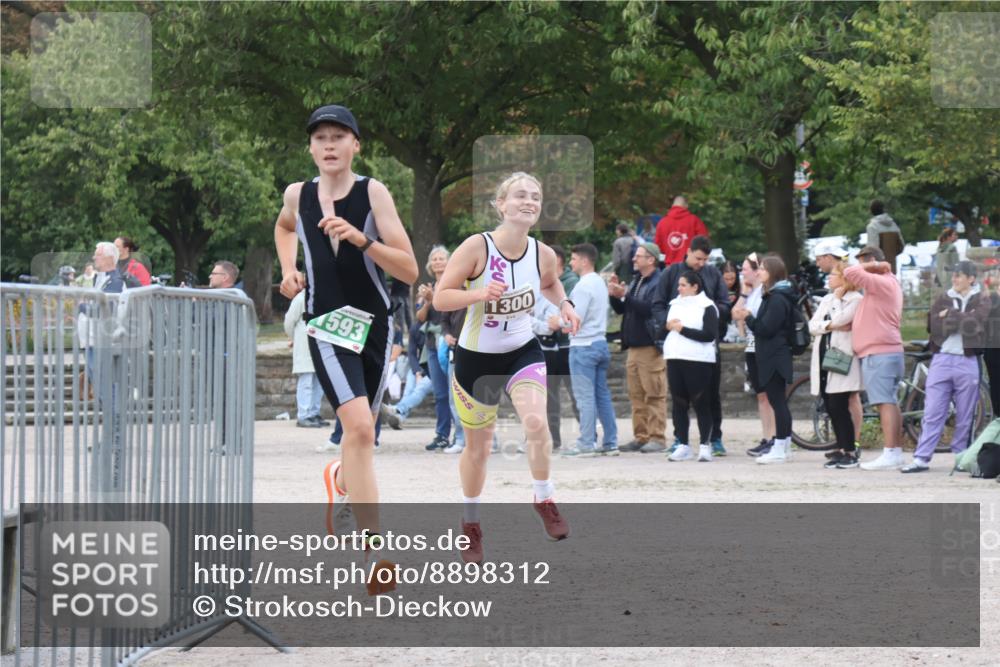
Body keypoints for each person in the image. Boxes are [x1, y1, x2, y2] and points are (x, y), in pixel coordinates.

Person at [274, 104, 418, 570]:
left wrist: (362, 240)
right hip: (328, 324)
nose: (329, 145)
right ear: (311, 147)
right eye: (321, 138)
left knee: (364, 436)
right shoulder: (299, 194)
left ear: (356, 145)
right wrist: (289, 269)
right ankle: (377, 553)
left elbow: (410, 269)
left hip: (375, 324)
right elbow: (283, 226)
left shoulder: (374, 193)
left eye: (339, 137)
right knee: (358, 427)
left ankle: (341, 477)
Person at [433, 171, 581, 562]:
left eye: (535, 196)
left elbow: (550, 284)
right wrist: (480, 293)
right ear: (501, 204)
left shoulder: (542, 253)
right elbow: (441, 299)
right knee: (478, 450)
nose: (528, 201)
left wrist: (564, 304)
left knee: (536, 422)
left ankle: (544, 498)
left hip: (521, 350)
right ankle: (470, 522)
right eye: (519, 195)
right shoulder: (476, 247)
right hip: (475, 359)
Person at [903, 261, 989, 472]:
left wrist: (950, 315)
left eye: (959, 276)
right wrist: (959, 320)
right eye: (953, 276)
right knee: (932, 411)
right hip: (941, 360)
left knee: (965, 413)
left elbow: (976, 323)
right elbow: (933, 326)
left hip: (967, 361)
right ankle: (921, 458)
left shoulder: (983, 299)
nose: (954, 279)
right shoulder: (944, 297)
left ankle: (961, 457)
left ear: (971, 278)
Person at [652, 235, 729, 455]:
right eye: (698, 258)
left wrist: (707, 315)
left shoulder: (712, 274)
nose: (701, 263)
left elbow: (723, 303)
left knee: (709, 395)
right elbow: (657, 304)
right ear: (688, 251)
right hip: (676, 345)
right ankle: (681, 439)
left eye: (705, 259)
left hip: (704, 348)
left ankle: (714, 438)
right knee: (679, 399)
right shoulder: (671, 273)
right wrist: (667, 323)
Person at [844, 246, 905, 471]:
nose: (862, 268)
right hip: (883, 351)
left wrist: (873, 266)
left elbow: (850, 273)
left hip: (879, 352)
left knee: (884, 403)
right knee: (889, 401)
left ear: (872, 262)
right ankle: (894, 451)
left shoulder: (882, 282)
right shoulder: (883, 285)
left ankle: (890, 452)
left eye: (864, 262)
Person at [732, 255, 796, 464]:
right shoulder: (774, 295)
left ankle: (780, 446)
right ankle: (783, 445)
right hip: (771, 354)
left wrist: (748, 317)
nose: (758, 272)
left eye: (762, 269)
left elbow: (766, 328)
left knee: (778, 402)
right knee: (778, 401)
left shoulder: (777, 298)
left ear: (773, 272)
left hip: (774, 355)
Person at [608, 242, 667, 453]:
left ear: (651, 259)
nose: (634, 259)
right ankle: (641, 436)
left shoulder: (659, 282)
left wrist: (626, 295)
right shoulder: (637, 280)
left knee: (653, 394)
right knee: (636, 396)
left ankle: (657, 437)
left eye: (639, 256)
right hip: (633, 348)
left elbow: (649, 309)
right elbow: (625, 309)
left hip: (650, 347)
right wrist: (615, 295)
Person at [563, 243, 619, 457]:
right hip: (599, 342)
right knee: (602, 395)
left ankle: (586, 442)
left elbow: (575, 320)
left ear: (584, 261)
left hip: (583, 346)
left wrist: (557, 321)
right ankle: (611, 442)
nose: (571, 262)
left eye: (574, 259)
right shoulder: (599, 282)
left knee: (585, 397)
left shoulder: (583, 286)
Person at [807, 262, 863, 468]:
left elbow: (843, 318)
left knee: (839, 404)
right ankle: (841, 447)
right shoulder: (828, 299)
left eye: (833, 274)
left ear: (845, 277)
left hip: (842, 357)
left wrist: (835, 310)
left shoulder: (855, 300)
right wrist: (829, 325)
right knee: (830, 404)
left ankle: (850, 449)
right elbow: (813, 325)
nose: (829, 278)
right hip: (824, 354)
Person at [663, 271, 719, 462]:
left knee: (701, 402)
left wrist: (683, 329)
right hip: (675, 357)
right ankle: (683, 443)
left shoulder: (707, 306)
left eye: (683, 285)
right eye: (679, 285)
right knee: (679, 403)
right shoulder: (674, 304)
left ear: (695, 287)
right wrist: (668, 327)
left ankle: (705, 444)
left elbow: (709, 335)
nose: (679, 288)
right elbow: (664, 329)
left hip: (698, 360)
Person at [414, 246, 455, 451]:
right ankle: (441, 434)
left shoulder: (454, 284)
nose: (438, 262)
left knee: (454, 391)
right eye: (435, 259)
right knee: (440, 393)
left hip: (449, 342)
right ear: (430, 264)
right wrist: (428, 301)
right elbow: (420, 318)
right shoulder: (427, 288)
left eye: (442, 258)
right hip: (432, 344)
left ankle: (461, 435)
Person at [735, 253, 776, 457]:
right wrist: (743, 293)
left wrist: (746, 316)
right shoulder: (750, 293)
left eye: (745, 269)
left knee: (770, 395)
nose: (742, 273)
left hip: (763, 347)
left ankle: (775, 437)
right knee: (761, 395)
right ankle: (766, 437)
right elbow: (736, 313)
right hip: (750, 346)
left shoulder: (765, 292)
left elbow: (754, 317)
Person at [284, 291, 330, 429]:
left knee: (319, 382)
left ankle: (314, 413)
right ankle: (304, 415)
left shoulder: (325, 294)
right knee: (306, 381)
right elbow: (289, 322)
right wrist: (295, 338)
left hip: (322, 343)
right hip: (305, 344)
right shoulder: (300, 298)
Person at [654, 196, 708, 266]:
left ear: (672, 206)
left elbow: (658, 247)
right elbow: (704, 242)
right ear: (686, 205)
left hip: (670, 268)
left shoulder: (662, 223)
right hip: (691, 267)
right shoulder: (694, 221)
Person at [865, 200, 904, 273]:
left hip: (878, 267)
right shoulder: (894, 225)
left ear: (871, 211)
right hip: (892, 265)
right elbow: (901, 246)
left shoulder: (872, 227)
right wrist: (891, 255)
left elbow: (873, 249)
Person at [720, 260, 741, 342]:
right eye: (726, 279)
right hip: (722, 328)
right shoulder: (716, 288)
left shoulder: (741, 286)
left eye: (732, 278)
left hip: (739, 326)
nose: (729, 282)